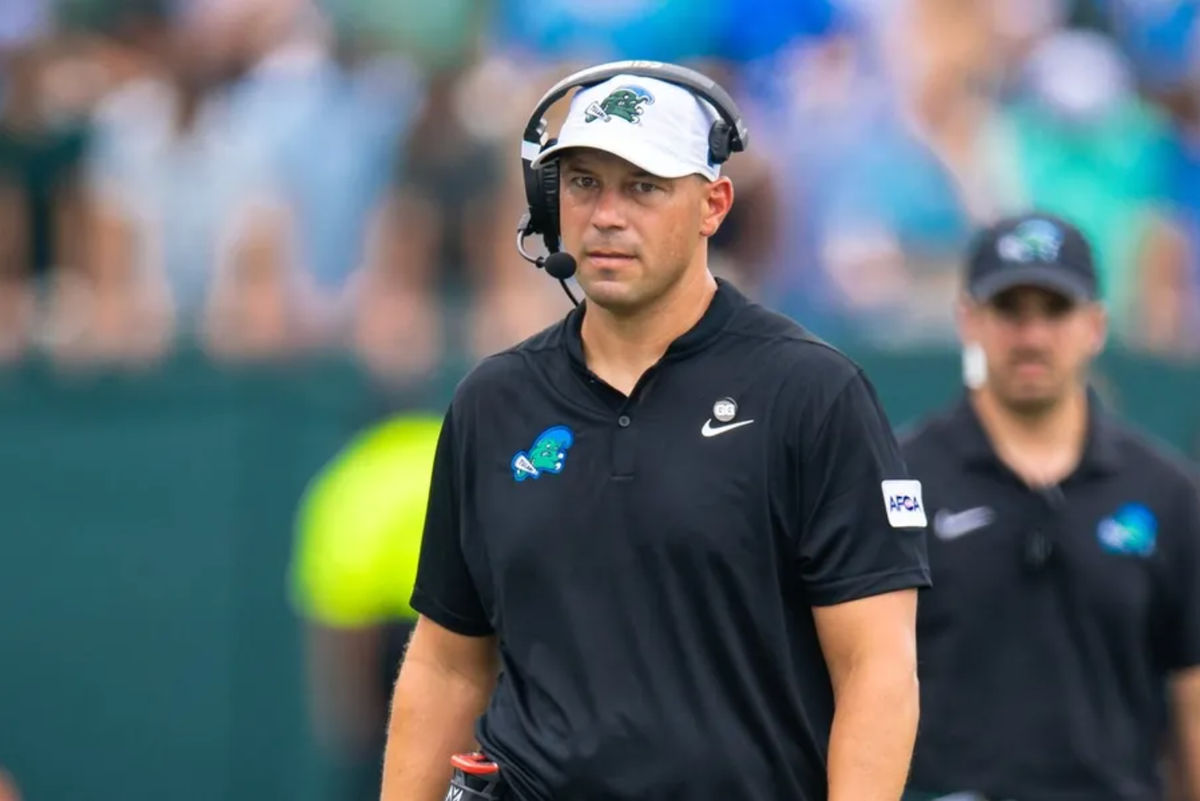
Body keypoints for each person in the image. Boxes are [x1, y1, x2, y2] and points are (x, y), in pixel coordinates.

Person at [380, 60, 930, 801]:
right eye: (583, 184)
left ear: (714, 204)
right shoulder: (493, 400)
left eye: (643, 186)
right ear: (549, 202)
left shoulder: (812, 393)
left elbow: (878, 668)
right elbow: (447, 661)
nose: (608, 214)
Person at [899, 213, 1200, 801]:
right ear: (969, 320)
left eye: (1055, 311)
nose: (1032, 336)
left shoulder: (1166, 493)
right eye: (1011, 310)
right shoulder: (901, 482)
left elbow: (1193, 693)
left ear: (1096, 325)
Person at [288, 412, 442, 801]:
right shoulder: (454, 449)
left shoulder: (348, 475)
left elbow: (339, 611)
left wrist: (351, 727)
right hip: (461, 632)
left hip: (381, 640)